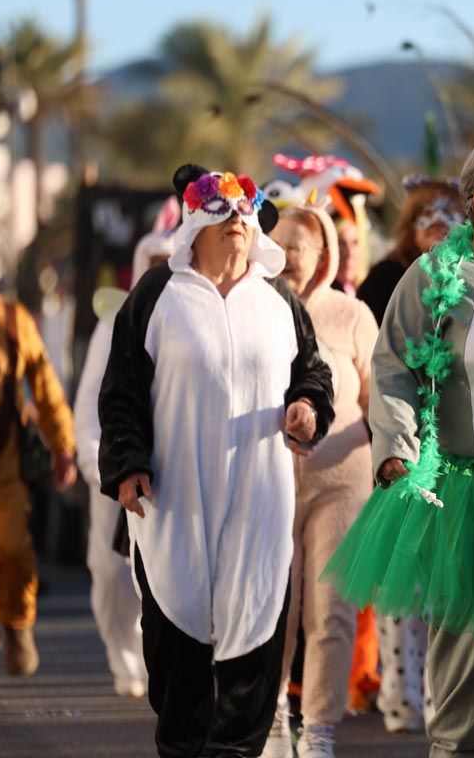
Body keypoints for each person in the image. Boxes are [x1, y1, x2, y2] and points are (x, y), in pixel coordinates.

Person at [324, 140, 474, 758]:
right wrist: (397, 448)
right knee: (463, 699)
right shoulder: (436, 276)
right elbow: (395, 367)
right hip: (467, 501)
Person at [99, 166, 334, 758]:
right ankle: (181, 746)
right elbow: (121, 390)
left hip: (260, 498)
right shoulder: (156, 295)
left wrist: (307, 406)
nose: (235, 221)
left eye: (243, 213)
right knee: (176, 646)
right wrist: (128, 463)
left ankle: (235, 751)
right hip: (175, 497)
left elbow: (313, 373)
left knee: (254, 635)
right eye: (221, 212)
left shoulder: (279, 301)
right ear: (193, 223)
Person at [260, 204, 378, 758]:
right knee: (275, 605)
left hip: (341, 480)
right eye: (277, 242)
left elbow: (381, 398)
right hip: (270, 482)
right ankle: (275, 717)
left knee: (329, 607)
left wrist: (395, 460)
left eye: (300, 245)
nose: (288, 255)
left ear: (324, 253)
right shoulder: (255, 309)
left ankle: (321, 728)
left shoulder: (351, 315)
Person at [354, 176, 462, 734]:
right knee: (403, 576)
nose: (438, 227)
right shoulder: (385, 280)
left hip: (463, 449)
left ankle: (442, 694)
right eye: (427, 217)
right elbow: (380, 362)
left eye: (449, 216)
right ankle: (400, 695)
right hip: (405, 440)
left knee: (450, 580)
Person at [0, 220, 76, 685]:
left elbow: (45, 388)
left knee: (13, 550)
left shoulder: (12, 320)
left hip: (1, 474)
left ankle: (17, 623)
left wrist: (62, 446)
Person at [74, 200, 177, 699]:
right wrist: (100, 465)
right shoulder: (114, 322)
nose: (160, 273)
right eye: (152, 263)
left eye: (169, 262)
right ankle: (123, 658)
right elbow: (93, 401)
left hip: (169, 476)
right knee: (111, 572)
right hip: (112, 474)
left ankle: (161, 663)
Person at [356, 177, 462, 324]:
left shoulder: (468, 277)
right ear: (411, 224)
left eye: (449, 212)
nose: (438, 223)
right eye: (428, 213)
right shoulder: (385, 277)